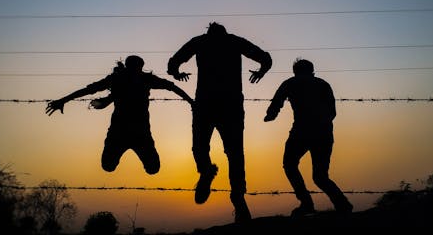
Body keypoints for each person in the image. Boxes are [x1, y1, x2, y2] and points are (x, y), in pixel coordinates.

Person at [167, 22, 272, 222]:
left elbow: (174, 62)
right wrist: (261, 72)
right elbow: (266, 58)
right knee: (235, 152)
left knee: (199, 145)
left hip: (205, 102)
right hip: (231, 104)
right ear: (225, 32)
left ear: (208, 32)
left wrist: (176, 73)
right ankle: (238, 197)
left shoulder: (200, 41)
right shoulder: (234, 41)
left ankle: (206, 170)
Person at [46, 55, 194, 175]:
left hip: (133, 132)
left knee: (152, 169)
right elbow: (89, 89)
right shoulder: (127, 78)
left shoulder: (131, 79)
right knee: (109, 167)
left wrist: (192, 102)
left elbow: (172, 87)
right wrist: (63, 100)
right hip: (127, 132)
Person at [264, 58, 353, 216]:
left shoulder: (290, 83)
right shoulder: (323, 84)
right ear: (312, 70)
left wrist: (271, 115)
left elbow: (277, 101)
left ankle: (306, 203)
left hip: (301, 132)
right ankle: (342, 204)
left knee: (290, 165)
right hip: (324, 133)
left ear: (295, 71)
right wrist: (322, 124)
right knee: (320, 176)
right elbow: (332, 112)